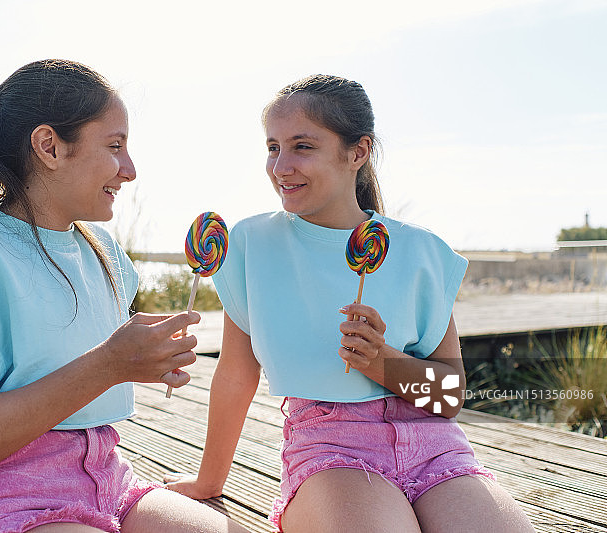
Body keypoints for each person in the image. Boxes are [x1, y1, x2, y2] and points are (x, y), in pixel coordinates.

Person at [0, 59, 249, 533]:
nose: (129, 170)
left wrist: (144, 354)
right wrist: (110, 363)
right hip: (3, 498)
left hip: (105, 479)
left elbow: (67, 352)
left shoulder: (102, 252)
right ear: (50, 147)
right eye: (114, 146)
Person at [165, 75, 535, 532]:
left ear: (357, 152)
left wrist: (384, 363)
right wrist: (209, 481)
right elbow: (237, 373)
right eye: (273, 147)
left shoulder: (421, 252)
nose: (281, 166)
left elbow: (450, 397)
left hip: (434, 447)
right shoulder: (250, 245)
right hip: (331, 449)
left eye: (302, 146)